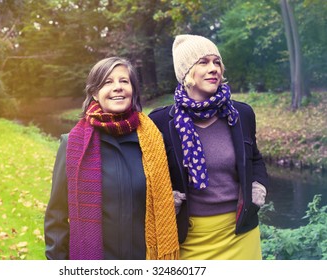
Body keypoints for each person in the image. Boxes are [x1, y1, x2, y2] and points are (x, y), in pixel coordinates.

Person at [44, 56, 179, 260]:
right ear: (95, 94)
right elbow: (57, 216)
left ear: (132, 90)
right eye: (108, 82)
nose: (118, 87)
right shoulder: (72, 144)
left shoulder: (153, 142)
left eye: (124, 81)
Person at [149, 34, 269, 260]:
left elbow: (254, 158)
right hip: (190, 236)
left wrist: (258, 186)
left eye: (217, 62)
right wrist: (166, 198)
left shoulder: (241, 114)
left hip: (240, 232)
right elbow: (149, 173)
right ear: (186, 73)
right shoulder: (161, 121)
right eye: (203, 62)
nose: (213, 68)